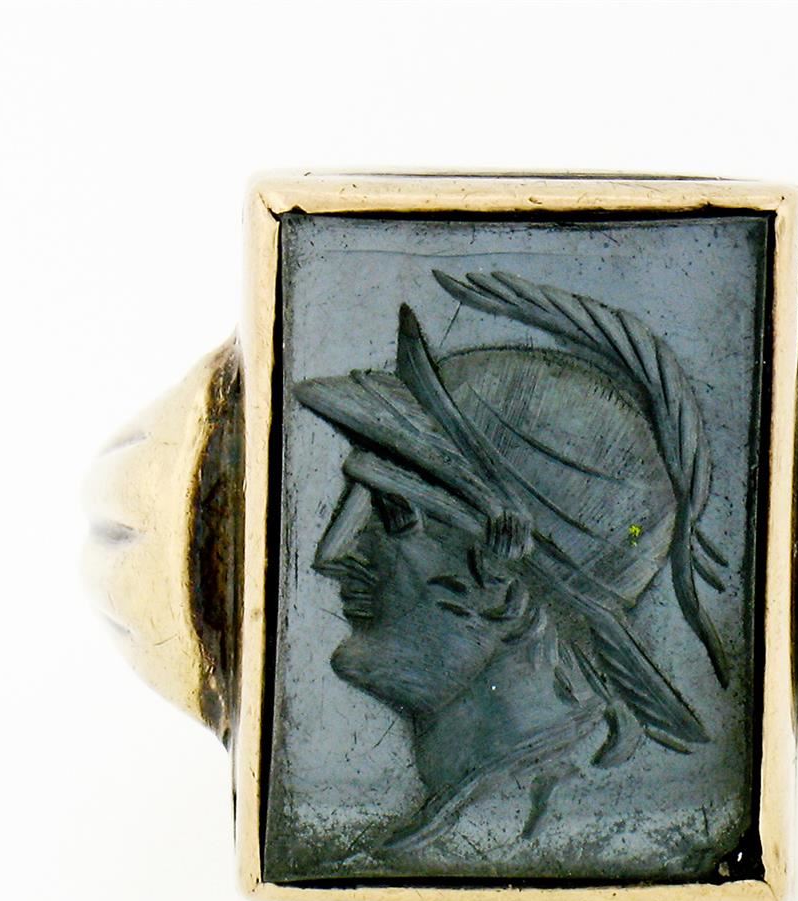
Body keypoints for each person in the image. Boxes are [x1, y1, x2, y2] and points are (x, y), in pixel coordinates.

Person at [295, 271, 727, 850]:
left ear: (500, 573)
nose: (331, 556)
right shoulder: (515, 816)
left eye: (393, 513)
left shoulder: (542, 822)